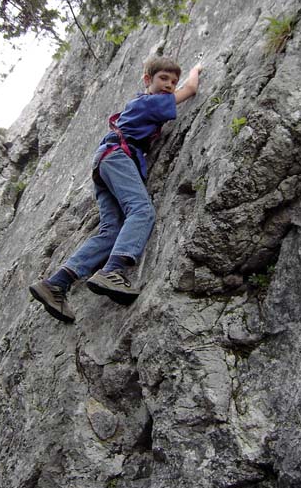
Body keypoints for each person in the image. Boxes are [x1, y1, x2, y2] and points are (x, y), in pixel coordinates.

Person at [29, 55, 202, 323]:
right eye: (163, 79)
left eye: (173, 81)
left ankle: (57, 283)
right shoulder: (150, 102)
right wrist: (196, 69)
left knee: (111, 231)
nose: (169, 85)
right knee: (141, 211)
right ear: (148, 80)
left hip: (105, 161)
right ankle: (113, 269)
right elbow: (190, 91)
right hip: (118, 157)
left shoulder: (137, 104)